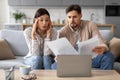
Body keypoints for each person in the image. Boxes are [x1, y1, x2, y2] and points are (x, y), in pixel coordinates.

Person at [52, 4, 114, 70]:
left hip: (89, 59)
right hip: (71, 61)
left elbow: (100, 41)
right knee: (54, 66)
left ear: (81, 15)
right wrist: (58, 57)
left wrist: (103, 48)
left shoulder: (90, 25)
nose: (72, 20)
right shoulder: (63, 31)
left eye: (75, 17)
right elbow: (59, 50)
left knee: (109, 56)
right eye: (69, 17)